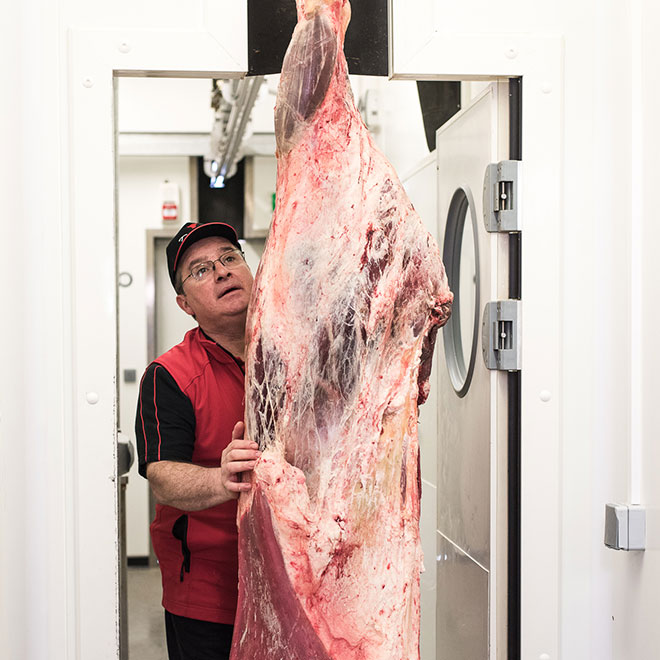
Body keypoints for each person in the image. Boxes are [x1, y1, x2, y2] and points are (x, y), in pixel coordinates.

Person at [134, 221, 260, 660]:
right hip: (209, 595)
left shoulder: (293, 353)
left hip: (297, 574)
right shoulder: (170, 376)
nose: (223, 271)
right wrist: (222, 480)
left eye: (229, 257)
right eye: (201, 269)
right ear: (184, 304)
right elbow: (164, 477)